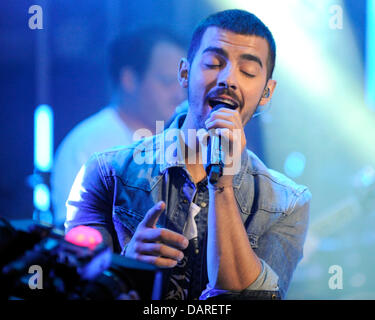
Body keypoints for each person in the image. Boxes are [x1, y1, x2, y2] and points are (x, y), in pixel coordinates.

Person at [65, 9, 311, 300]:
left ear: (267, 92)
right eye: (213, 63)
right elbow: (71, 286)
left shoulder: (287, 202)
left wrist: (223, 184)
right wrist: (128, 265)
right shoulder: (106, 173)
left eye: (247, 71)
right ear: (184, 73)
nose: (228, 79)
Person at [51, 26, 186, 227]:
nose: (179, 94)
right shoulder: (87, 143)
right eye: (167, 82)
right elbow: (75, 234)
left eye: (182, 82)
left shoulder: (180, 141)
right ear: (129, 80)